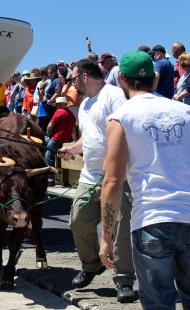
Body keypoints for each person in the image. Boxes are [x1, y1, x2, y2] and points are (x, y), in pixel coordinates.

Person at [99, 51, 190, 309]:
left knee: (158, 304)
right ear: (156, 77)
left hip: (152, 220)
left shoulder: (120, 118)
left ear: (121, 80)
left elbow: (112, 182)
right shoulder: (186, 112)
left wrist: (107, 237)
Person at [58, 59, 136, 303]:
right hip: (89, 175)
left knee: (120, 229)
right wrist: (72, 148)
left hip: (117, 175)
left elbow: (125, 131)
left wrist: (112, 161)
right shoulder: (85, 105)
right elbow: (89, 138)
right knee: (78, 220)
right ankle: (92, 264)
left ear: (83, 76)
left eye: (72, 78)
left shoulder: (113, 95)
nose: (70, 83)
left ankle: (124, 280)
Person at [45, 96, 75, 186]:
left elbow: (50, 125)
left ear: (61, 104)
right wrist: (74, 141)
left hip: (56, 138)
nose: (56, 107)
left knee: (48, 156)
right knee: (61, 159)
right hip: (66, 140)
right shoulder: (71, 114)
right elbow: (73, 130)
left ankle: (50, 179)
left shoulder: (59, 111)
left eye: (57, 105)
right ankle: (63, 179)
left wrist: (48, 133)